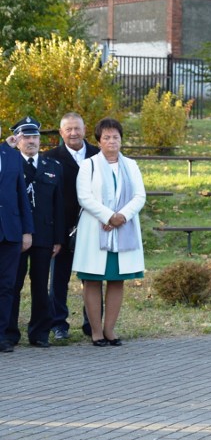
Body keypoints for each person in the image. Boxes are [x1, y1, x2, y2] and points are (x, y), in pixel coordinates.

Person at [72, 118, 146, 346]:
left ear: (121, 140)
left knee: (117, 280)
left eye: (115, 137)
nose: (112, 141)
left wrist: (120, 217)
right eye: (107, 137)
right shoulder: (89, 164)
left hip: (123, 228)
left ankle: (110, 330)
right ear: (99, 141)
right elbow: (84, 197)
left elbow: (139, 196)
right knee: (92, 280)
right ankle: (95, 332)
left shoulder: (131, 165)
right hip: (95, 230)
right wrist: (107, 216)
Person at [7, 117, 63, 348]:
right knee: (12, 284)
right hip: (15, 235)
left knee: (40, 285)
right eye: (26, 137)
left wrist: (58, 239)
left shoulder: (52, 167)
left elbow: (58, 205)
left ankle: (40, 332)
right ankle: (8, 332)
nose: (31, 141)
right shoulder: (8, 164)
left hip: (44, 235)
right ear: (17, 140)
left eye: (35, 137)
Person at [45, 112, 99, 339]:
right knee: (58, 279)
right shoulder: (50, 157)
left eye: (77, 128)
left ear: (85, 130)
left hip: (93, 226)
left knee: (92, 279)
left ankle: (92, 324)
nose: (73, 133)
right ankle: (59, 324)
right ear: (61, 132)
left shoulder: (98, 155)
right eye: (68, 129)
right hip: (61, 227)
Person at [0, 125, 35, 353]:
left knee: (6, 286)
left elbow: (21, 194)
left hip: (10, 231)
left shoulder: (11, 156)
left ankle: (1, 334)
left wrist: (26, 231)